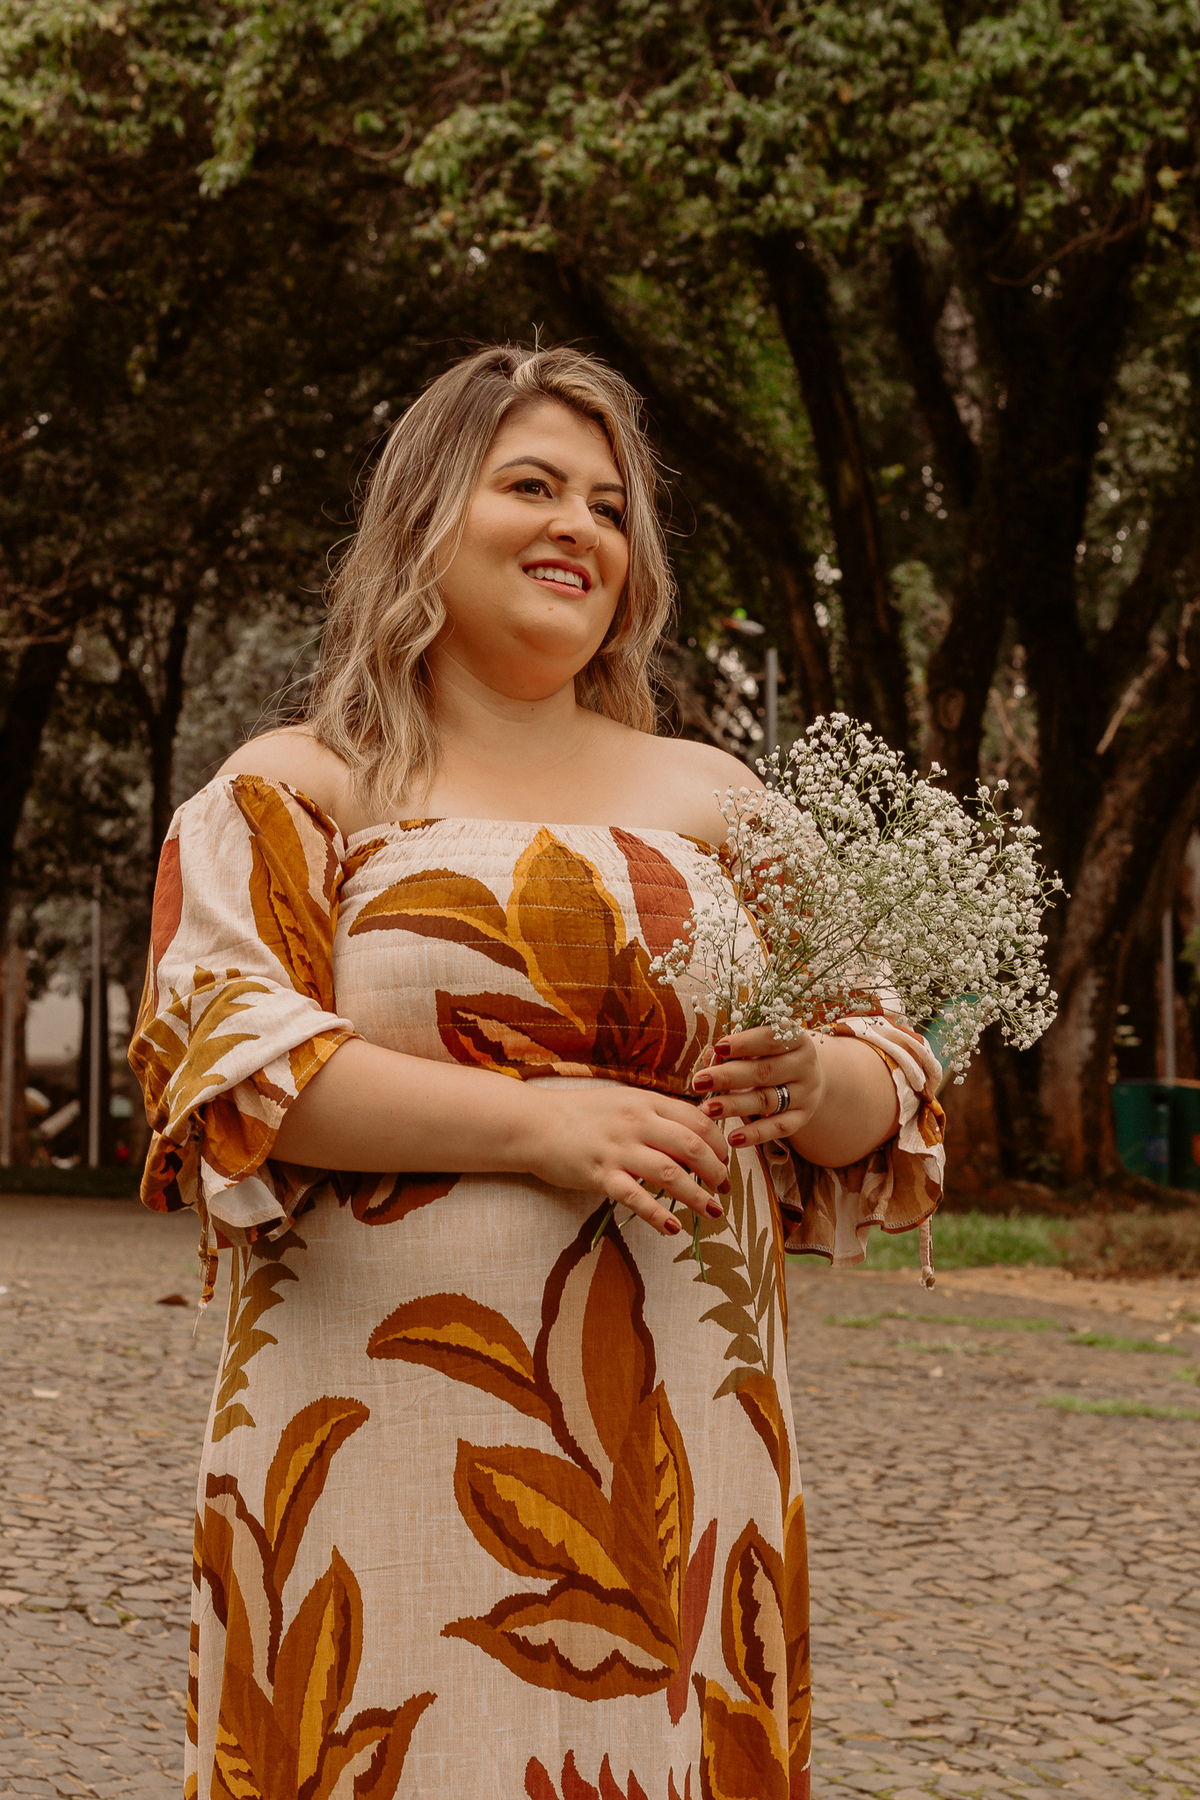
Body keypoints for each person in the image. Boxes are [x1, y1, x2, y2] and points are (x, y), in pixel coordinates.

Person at [130, 344, 944, 1800]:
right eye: (531, 486)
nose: (579, 526)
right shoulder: (297, 783)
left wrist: (813, 1077)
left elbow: (890, 1063)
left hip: (682, 1431)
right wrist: (531, 1126)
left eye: (610, 507)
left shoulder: (718, 796)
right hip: (373, 1428)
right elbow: (229, 1061)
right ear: (427, 516)